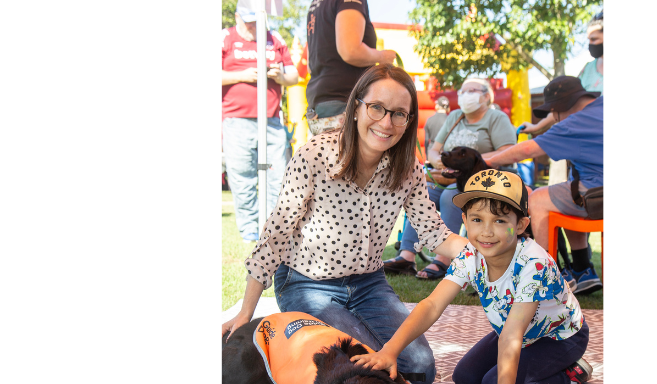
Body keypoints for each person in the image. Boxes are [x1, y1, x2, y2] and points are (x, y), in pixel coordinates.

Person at [220, 64, 471, 384]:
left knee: (420, 369)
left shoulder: (407, 167)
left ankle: (311, 350)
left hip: (368, 283)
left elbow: (434, 233)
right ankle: (288, 350)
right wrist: (245, 313)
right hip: (307, 284)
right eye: (377, 108)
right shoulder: (315, 154)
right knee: (369, 363)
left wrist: (490, 255)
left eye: (399, 114)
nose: (385, 122)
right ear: (356, 108)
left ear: (409, 122)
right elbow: (276, 234)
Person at [351, 170, 592, 384]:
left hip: (559, 337)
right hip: (516, 333)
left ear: (521, 225)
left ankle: (573, 375)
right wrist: (389, 351)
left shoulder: (534, 263)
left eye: (500, 221)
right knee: (465, 378)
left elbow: (512, 336)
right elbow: (431, 305)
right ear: (465, 220)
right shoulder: (471, 255)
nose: (486, 232)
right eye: (477, 219)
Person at [384, 78, 517, 280]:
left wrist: (472, 163)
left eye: (471, 91)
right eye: (462, 91)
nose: (465, 95)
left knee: (451, 196)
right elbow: (436, 149)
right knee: (421, 192)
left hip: (482, 181)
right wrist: (439, 163)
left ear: (486, 96)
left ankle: (443, 260)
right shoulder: (455, 116)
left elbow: (508, 152)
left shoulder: (496, 118)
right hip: (451, 176)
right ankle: (406, 256)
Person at [486, 76, 603, 295]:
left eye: (553, 112)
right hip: (590, 189)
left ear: (560, 107)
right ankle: (583, 269)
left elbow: (528, 150)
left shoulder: (573, 124)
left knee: (538, 198)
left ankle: (549, 275)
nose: (554, 118)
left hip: (598, 193)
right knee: (566, 195)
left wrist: (487, 161)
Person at [221, 1, 299, 243]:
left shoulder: (274, 38)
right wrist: (242, 76)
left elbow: (294, 75)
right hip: (236, 120)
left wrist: (281, 76)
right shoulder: (226, 37)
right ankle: (249, 231)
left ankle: (272, 229)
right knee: (242, 176)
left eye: (257, 21)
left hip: (272, 121)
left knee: (277, 176)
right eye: (249, 21)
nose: (254, 26)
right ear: (237, 18)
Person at [305, 0, 397, 136]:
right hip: (345, 103)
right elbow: (350, 50)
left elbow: (310, 66)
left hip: (321, 104)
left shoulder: (316, 4)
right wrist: (383, 57)